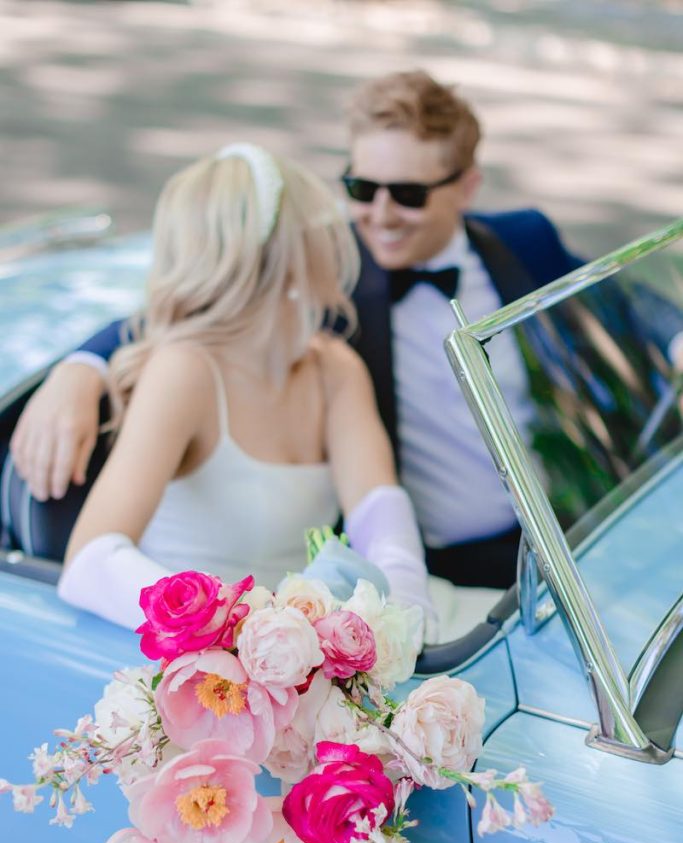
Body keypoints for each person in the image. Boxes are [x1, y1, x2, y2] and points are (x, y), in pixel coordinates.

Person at [11, 70, 683, 589]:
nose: (379, 215)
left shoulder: (523, 243)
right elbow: (195, 298)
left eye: (409, 194)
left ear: (467, 186)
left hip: (568, 530)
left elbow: (622, 301)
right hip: (440, 562)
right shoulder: (321, 279)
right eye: (362, 188)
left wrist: (676, 333)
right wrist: (81, 368)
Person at [54, 143, 436, 633]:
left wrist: (403, 616)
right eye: (315, 229)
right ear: (285, 256)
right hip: (204, 666)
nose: (334, 236)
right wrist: (240, 634)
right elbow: (90, 558)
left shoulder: (335, 368)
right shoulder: (186, 371)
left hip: (312, 656)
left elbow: (378, 510)